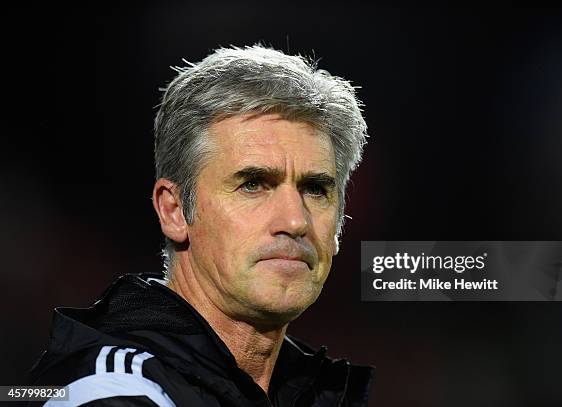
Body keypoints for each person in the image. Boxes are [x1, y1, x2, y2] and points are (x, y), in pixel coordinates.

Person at [29, 45, 373, 406]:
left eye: (315, 189)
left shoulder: (308, 392)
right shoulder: (110, 392)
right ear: (174, 211)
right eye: (253, 184)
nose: (295, 220)